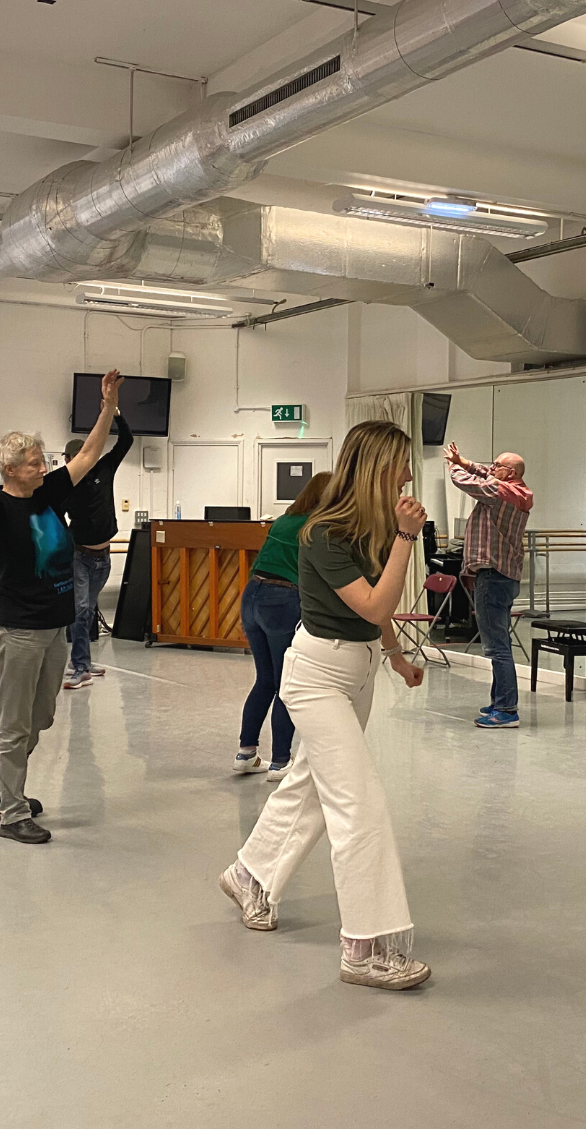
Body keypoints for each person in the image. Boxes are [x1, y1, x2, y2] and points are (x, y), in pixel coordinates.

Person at [219, 421, 431, 990]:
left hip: (356, 671)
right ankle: (367, 947)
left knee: (310, 786)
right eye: (403, 463)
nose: (410, 474)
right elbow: (372, 603)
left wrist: (396, 658)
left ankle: (249, 873)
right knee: (359, 804)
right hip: (316, 678)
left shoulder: (377, 527)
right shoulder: (324, 533)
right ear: (379, 467)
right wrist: (409, 539)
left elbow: (378, 620)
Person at [0, 372, 121, 845]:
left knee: (42, 718)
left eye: (41, 460)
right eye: (32, 463)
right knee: (14, 726)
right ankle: (12, 813)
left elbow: (88, 454)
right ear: (11, 470)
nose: (41, 466)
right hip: (19, 630)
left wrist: (107, 406)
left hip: (56, 627)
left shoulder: (48, 493)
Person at [234, 471, 331, 780]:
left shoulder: (283, 521)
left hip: (251, 596)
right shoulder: (315, 527)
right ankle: (280, 762)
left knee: (265, 680)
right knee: (287, 683)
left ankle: (245, 753)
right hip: (282, 601)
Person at [443, 442, 533, 729]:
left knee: (496, 647)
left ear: (509, 473)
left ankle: (507, 710)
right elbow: (483, 473)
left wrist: (455, 466)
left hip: (493, 576)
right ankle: (499, 701)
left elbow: (467, 482)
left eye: (497, 466)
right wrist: (466, 460)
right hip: (504, 576)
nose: (491, 469)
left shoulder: (500, 492)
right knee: (500, 643)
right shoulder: (518, 491)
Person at [61, 408, 133, 689]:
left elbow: (125, 441)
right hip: (79, 555)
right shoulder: (65, 483)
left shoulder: (104, 468)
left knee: (87, 611)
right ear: (67, 461)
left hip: (103, 558)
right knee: (80, 611)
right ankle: (80, 667)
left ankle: (82, 660)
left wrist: (116, 413)